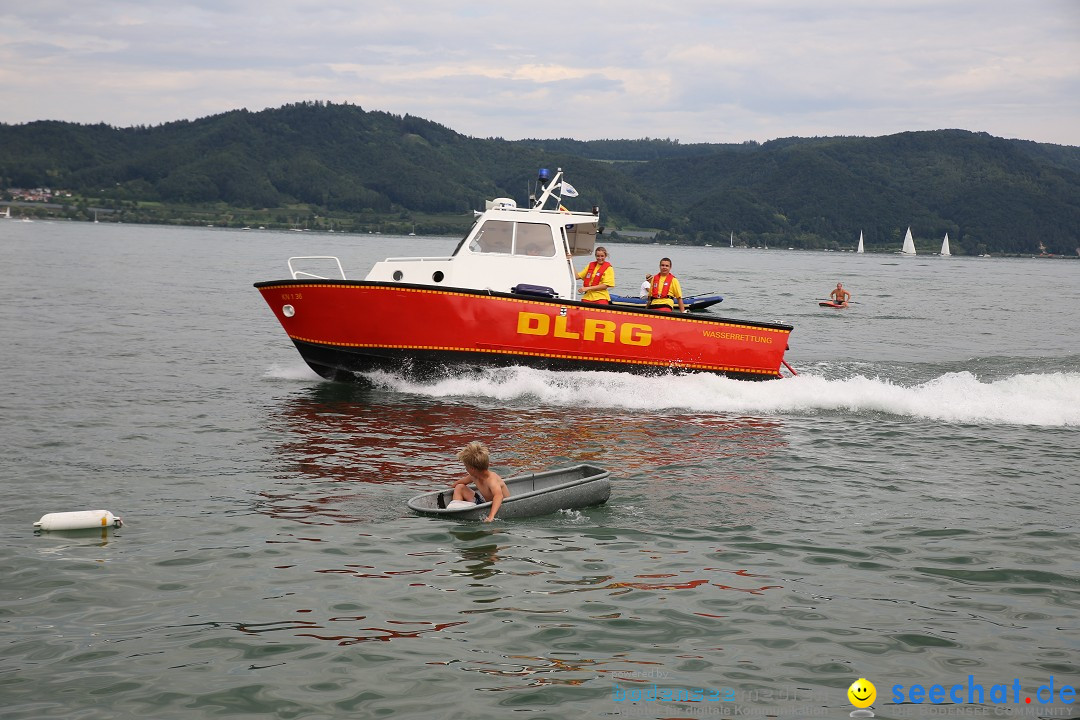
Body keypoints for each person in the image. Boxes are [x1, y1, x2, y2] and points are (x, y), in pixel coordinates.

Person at [452, 441, 510, 522]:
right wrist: (448, 489)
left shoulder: (492, 480)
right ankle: (456, 512)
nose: (466, 469)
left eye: (466, 467)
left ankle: (461, 513)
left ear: (472, 469)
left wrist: (491, 517)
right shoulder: (474, 476)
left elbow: (498, 496)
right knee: (459, 487)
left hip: (499, 506)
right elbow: (457, 483)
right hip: (484, 504)